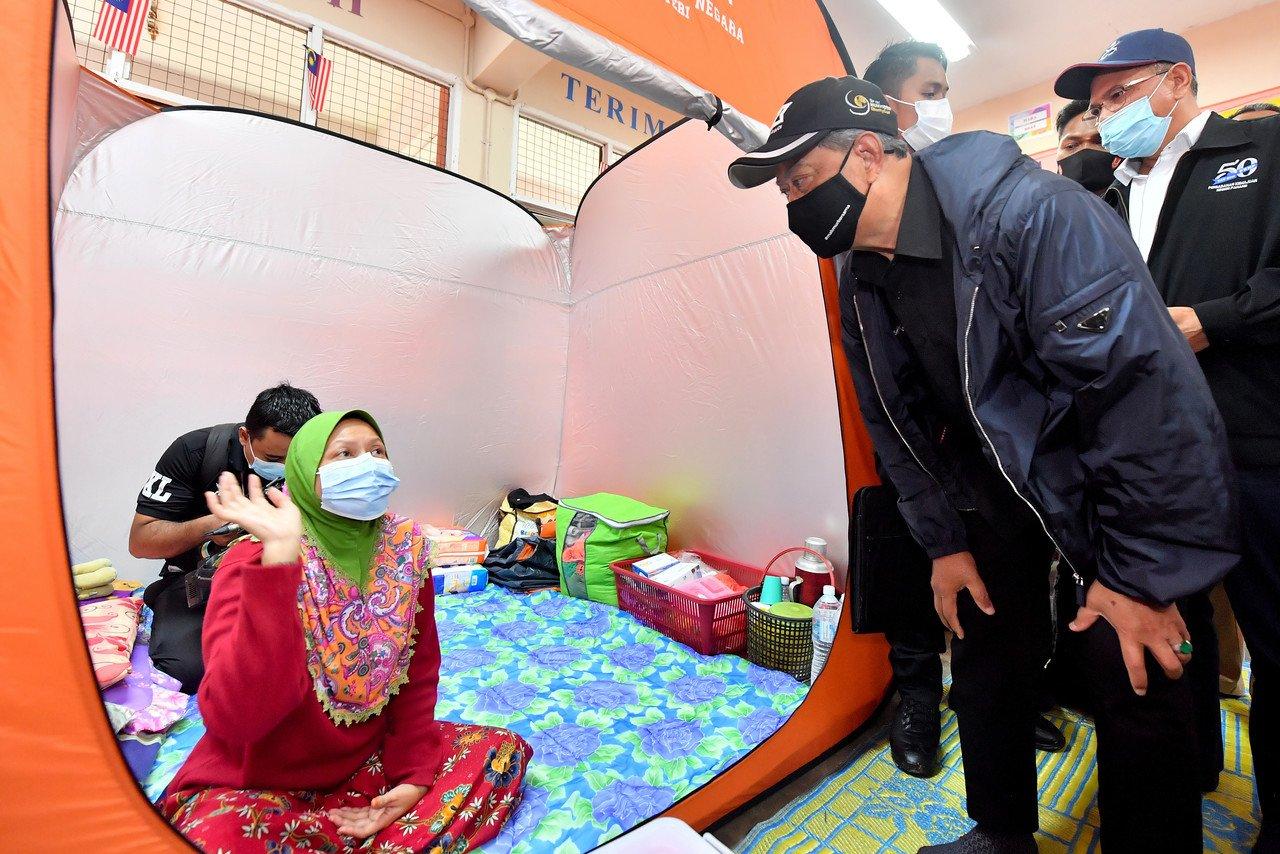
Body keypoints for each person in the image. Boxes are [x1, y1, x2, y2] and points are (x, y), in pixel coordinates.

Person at [728, 75, 1237, 853]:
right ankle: (1000, 833)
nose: (793, 205)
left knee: (1130, 666)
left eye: (799, 182)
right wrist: (944, 544)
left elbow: (1143, 400)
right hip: (990, 481)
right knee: (983, 652)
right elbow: (891, 421)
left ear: (868, 155)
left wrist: (1139, 577)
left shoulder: (1035, 216)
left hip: (1105, 478)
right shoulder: (858, 272)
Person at [1057, 27, 1280, 852]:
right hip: (1152, 464)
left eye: (1119, 96)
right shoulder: (1105, 201)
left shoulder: (1260, 146)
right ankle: (1191, 773)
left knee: (1272, 647)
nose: (1106, 115)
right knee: (1167, 638)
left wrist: (1214, 322)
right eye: (1097, 105)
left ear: (1176, 79)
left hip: (1255, 446)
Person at [160, 410, 530, 852]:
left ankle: (358, 830)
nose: (369, 465)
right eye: (345, 455)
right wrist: (279, 561)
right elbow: (237, 720)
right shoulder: (250, 562)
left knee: (500, 752)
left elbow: (418, 672)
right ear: (303, 474)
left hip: (365, 763)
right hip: (261, 779)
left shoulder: (405, 547)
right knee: (218, 838)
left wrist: (411, 778)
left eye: (378, 451)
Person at [863, 40, 1064, 779]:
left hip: (993, 436)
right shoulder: (845, 214)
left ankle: (1009, 697)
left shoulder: (977, 198)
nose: (944, 104)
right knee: (917, 555)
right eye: (932, 89)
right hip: (904, 427)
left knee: (1002, 578)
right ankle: (916, 692)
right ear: (886, 108)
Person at [131, 382, 321, 692]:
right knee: (193, 670)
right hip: (203, 582)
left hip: (292, 582)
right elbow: (141, 541)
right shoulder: (196, 451)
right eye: (273, 458)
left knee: (312, 662)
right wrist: (216, 522)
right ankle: (166, 599)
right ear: (245, 436)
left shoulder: (323, 459)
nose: (285, 468)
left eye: (296, 459)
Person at [864, 40, 952, 153]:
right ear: (884, 106)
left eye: (944, 97)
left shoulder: (957, 166)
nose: (943, 107)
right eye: (930, 94)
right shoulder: (860, 167)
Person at [1055, 99, 1120, 193]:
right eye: (1071, 146)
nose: (1085, 149)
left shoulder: (1144, 196)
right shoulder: (1043, 205)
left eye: (1100, 141)